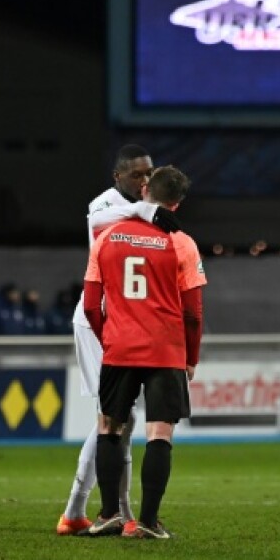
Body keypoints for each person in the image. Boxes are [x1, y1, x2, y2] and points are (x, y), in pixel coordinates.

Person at [56, 143, 178, 536]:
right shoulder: (103, 205)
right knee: (113, 416)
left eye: (149, 174)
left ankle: (102, 512)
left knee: (122, 418)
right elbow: (100, 227)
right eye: (137, 175)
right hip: (98, 321)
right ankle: (89, 509)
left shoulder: (148, 212)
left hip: (129, 325)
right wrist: (146, 210)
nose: (145, 180)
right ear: (118, 177)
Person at [80, 165, 204, 540]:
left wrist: (110, 337)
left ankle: (108, 515)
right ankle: (147, 522)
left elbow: (90, 304)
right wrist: (191, 357)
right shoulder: (181, 241)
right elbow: (193, 313)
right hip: (165, 350)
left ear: (145, 189)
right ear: (177, 203)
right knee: (159, 433)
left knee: (109, 427)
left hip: (120, 347)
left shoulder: (107, 235)